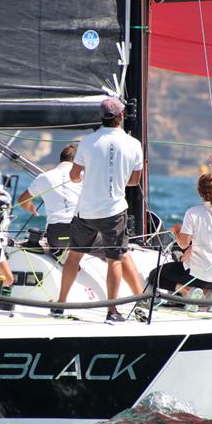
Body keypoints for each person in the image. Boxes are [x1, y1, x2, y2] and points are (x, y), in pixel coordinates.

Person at [56, 98, 144, 322]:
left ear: (101, 117)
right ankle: (112, 311)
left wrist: (91, 176)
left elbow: (74, 177)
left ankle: (60, 304)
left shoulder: (87, 141)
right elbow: (134, 181)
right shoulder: (134, 144)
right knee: (114, 259)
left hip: (85, 211)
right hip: (114, 212)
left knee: (74, 255)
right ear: (122, 116)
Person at [148, 174, 212, 313]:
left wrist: (177, 230)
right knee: (203, 277)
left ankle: (188, 292)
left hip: (196, 275)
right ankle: (208, 295)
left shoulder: (193, 213)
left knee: (155, 275)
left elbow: (183, 245)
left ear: (199, 190)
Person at [17, 144, 82, 255]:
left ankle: (59, 251)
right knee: (114, 249)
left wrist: (30, 207)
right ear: (77, 161)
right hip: (81, 234)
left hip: (56, 236)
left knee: (62, 242)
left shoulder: (44, 177)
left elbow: (22, 200)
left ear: (61, 159)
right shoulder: (83, 176)